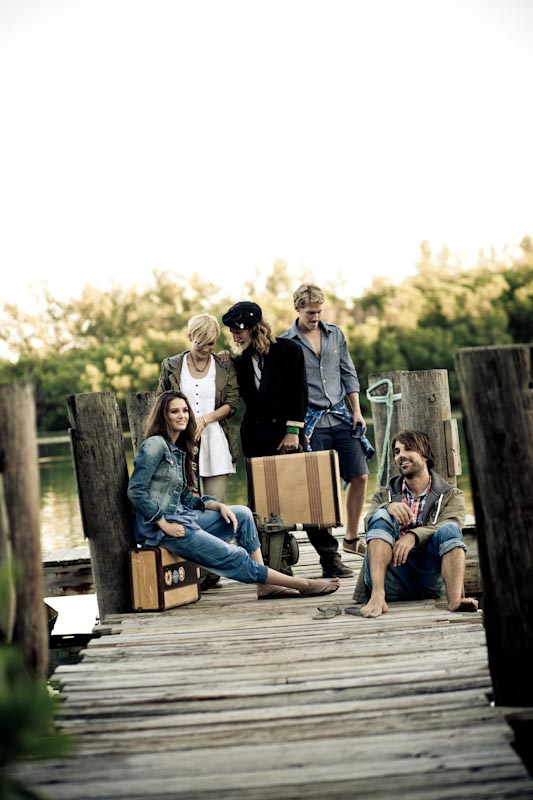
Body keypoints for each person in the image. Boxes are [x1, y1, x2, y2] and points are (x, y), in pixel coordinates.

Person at [127, 390, 340, 600]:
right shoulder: (155, 445)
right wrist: (163, 524)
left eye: (185, 410)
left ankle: (264, 586)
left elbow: (183, 498)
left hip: (183, 517)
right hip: (161, 530)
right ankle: (302, 585)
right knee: (234, 555)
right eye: (174, 412)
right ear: (163, 415)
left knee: (242, 514)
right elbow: (136, 490)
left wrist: (215, 505)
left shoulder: (179, 448)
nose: (182, 416)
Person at [222, 301, 353, 579]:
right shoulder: (239, 361)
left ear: (254, 328)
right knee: (262, 505)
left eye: (238, 332)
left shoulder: (288, 351)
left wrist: (293, 432)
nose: (235, 338)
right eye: (232, 333)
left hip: (287, 436)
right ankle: (276, 563)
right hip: (255, 440)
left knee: (308, 499)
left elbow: (299, 394)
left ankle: (330, 559)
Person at [282, 283, 368, 569]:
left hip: (342, 416)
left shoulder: (336, 334)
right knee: (316, 491)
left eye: (319, 311)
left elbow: (348, 373)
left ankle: (352, 537)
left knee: (360, 475)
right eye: (310, 312)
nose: (315, 317)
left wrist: (357, 411)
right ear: (297, 309)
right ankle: (328, 556)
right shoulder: (287, 342)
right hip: (310, 423)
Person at [356, 429, 479, 618]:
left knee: (450, 529)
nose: (401, 456)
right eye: (397, 452)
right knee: (379, 517)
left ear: (425, 455)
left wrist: (414, 536)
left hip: (429, 579)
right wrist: (387, 507)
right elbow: (368, 523)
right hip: (392, 579)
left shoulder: (452, 495)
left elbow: (451, 523)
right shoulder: (383, 494)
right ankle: (377, 596)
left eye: (409, 449)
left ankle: (455, 600)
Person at [157, 313, 239, 503]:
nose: (206, 349)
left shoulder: (225, 366)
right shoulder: (171, 366)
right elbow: (161, 401)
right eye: (200, 343)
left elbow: (232, 403)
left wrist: (204, 419)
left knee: (215, 507)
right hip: (180, 442)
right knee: (185, 507)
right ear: (190, 337)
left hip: (215, 443)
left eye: (211, 344)